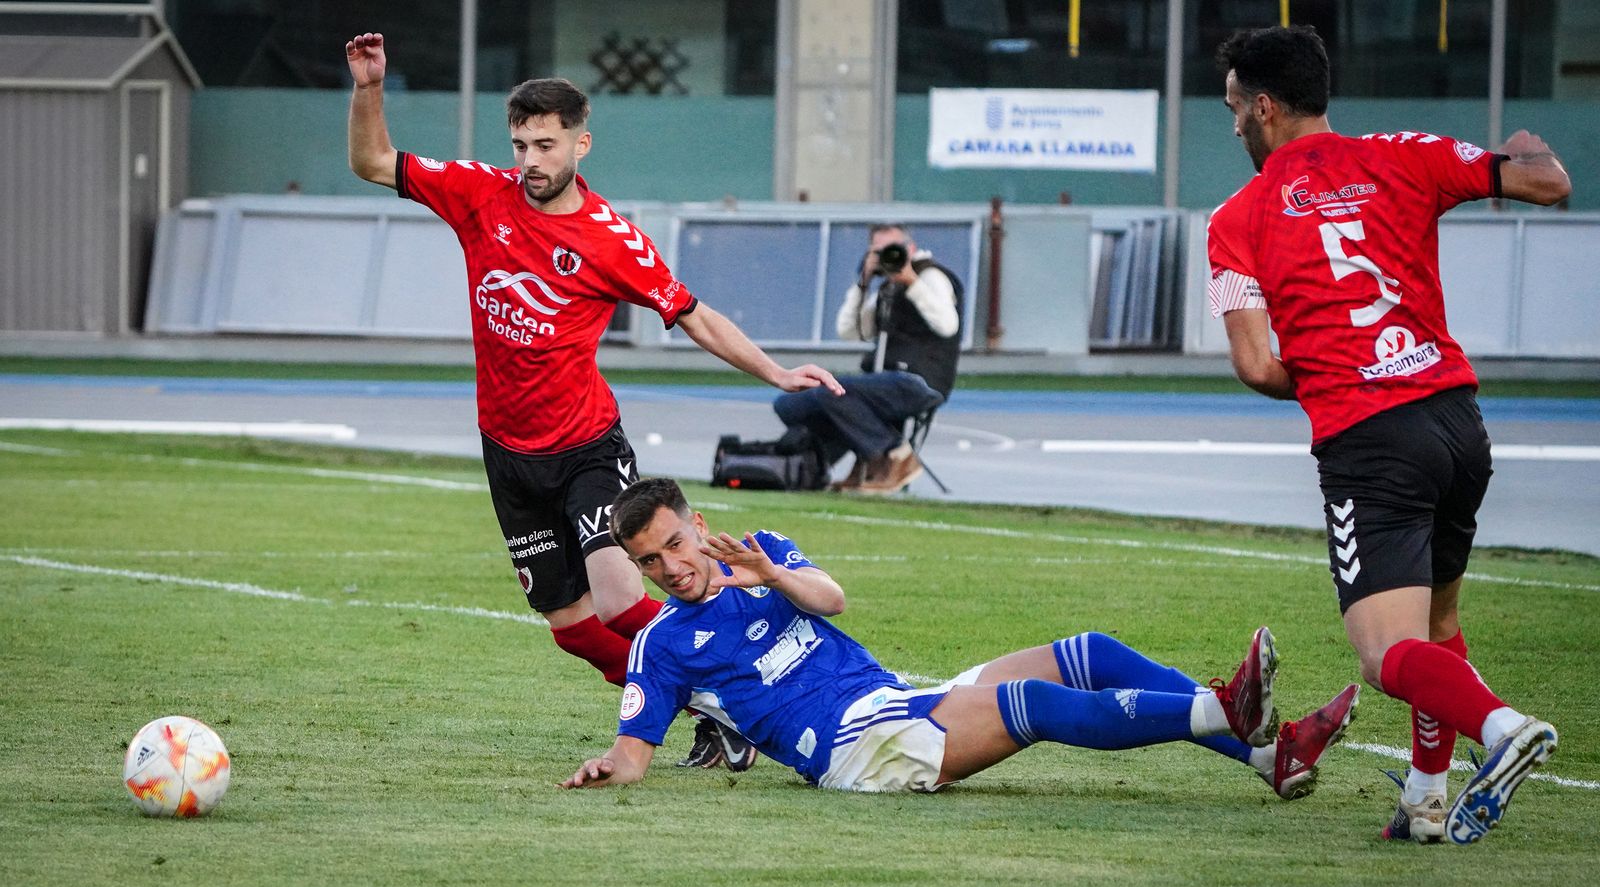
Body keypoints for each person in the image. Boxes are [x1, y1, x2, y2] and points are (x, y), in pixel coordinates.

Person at [344, 33, 844, 769]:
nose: (531, 160)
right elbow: (372, 161)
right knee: (571, 626)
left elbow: (695, 314)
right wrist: (369, 88)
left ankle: (746, 686)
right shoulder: (479, 194)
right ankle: (710, 709)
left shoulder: (613, 241)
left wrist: (774, 372)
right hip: (506, 451)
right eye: (521, 145)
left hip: (586, 447)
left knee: (616, 598)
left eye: (546, 145)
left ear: (581, 144)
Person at [1207, 25, 1570, 844]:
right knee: (1438, 626)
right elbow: (1549, 184)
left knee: (1384, 654)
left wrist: (1336, 369)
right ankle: (1425, 799)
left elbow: (1256, 365)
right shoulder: (1406, 152)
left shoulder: (1236, 217)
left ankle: (1505, 728)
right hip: (1456, 421)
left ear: (1263, 108)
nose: (1233, 127)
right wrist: (1529, 149)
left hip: (1370, 442)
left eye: (1234, 109)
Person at [560, 477, 1361, 796]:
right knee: (1031, 703)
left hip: (892, 700)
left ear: (697, 523)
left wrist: (770, 575)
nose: (669, 567)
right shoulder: (662, 644)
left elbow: (832, 599)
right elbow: (633, 753)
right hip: (854, 750)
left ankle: (1269, 758)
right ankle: (1225, 710)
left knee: (1089, 651)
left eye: (674, 544)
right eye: (649, 560)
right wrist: (607, 766)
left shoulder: (758, 552)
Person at [773, 224, 962, 493]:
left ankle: (896, 456)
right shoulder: (886, 287)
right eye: (878, 250)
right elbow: (849, 331)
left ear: (910, 249)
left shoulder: (931, 276)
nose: (887, 256)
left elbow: (947, 325)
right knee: (790, 404)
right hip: (883, 380)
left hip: (920, 381)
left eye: (893, 249)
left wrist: (912, 282)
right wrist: (862, 282)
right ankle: (836, 462)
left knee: (831, 392)